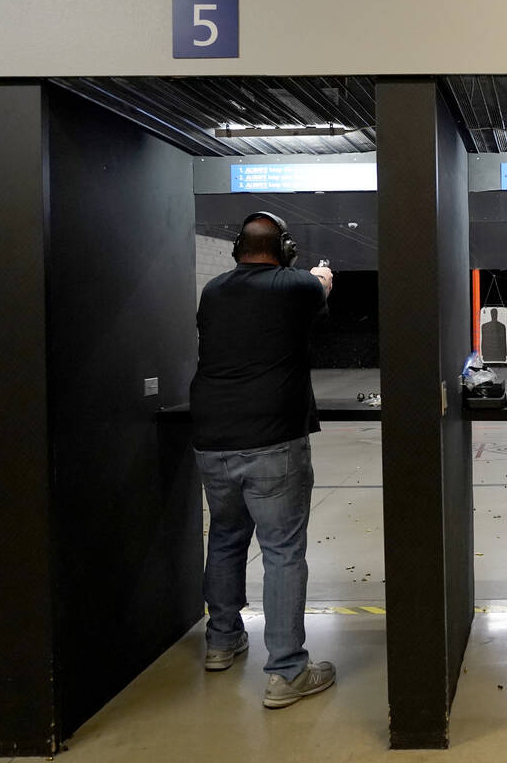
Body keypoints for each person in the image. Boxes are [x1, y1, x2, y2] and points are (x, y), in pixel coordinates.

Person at [189, 211, 338, 708]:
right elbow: (319, 289)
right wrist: (322, 277)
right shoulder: (296, 285)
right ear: (285, 250)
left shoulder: (214, 289)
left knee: (227, 538)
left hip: (212, 437)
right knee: (282, 551)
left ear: (238, 249)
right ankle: (288, 670)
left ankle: (222, 640)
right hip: (273, 437)